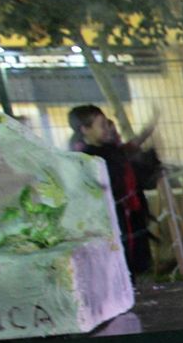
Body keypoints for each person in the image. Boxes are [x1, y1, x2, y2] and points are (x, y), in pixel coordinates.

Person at [67, 104, 161, 275]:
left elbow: (132, 149)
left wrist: (151, 126)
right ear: (85, 129)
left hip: (129, 215)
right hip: (112, 221)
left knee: (134, 262)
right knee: (119, 264)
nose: (108, 129)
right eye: (102, 125)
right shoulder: (87, 160)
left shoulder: (111, 150)